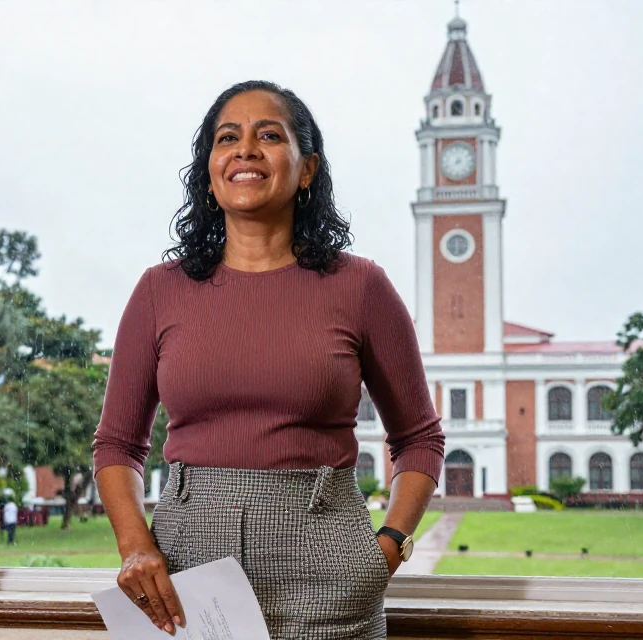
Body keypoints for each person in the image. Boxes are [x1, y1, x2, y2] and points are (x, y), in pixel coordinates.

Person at [92, 80, 446, 639]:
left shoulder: (361, 287)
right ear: (209, 168)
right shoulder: (160, 290)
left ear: (306, 169)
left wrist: (387, 549)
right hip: (186, 577)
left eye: (270, 135)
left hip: (331, 576)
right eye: (227, 136)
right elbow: (117, 444)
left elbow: (419, 438)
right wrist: (135, 545)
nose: (246, 149)